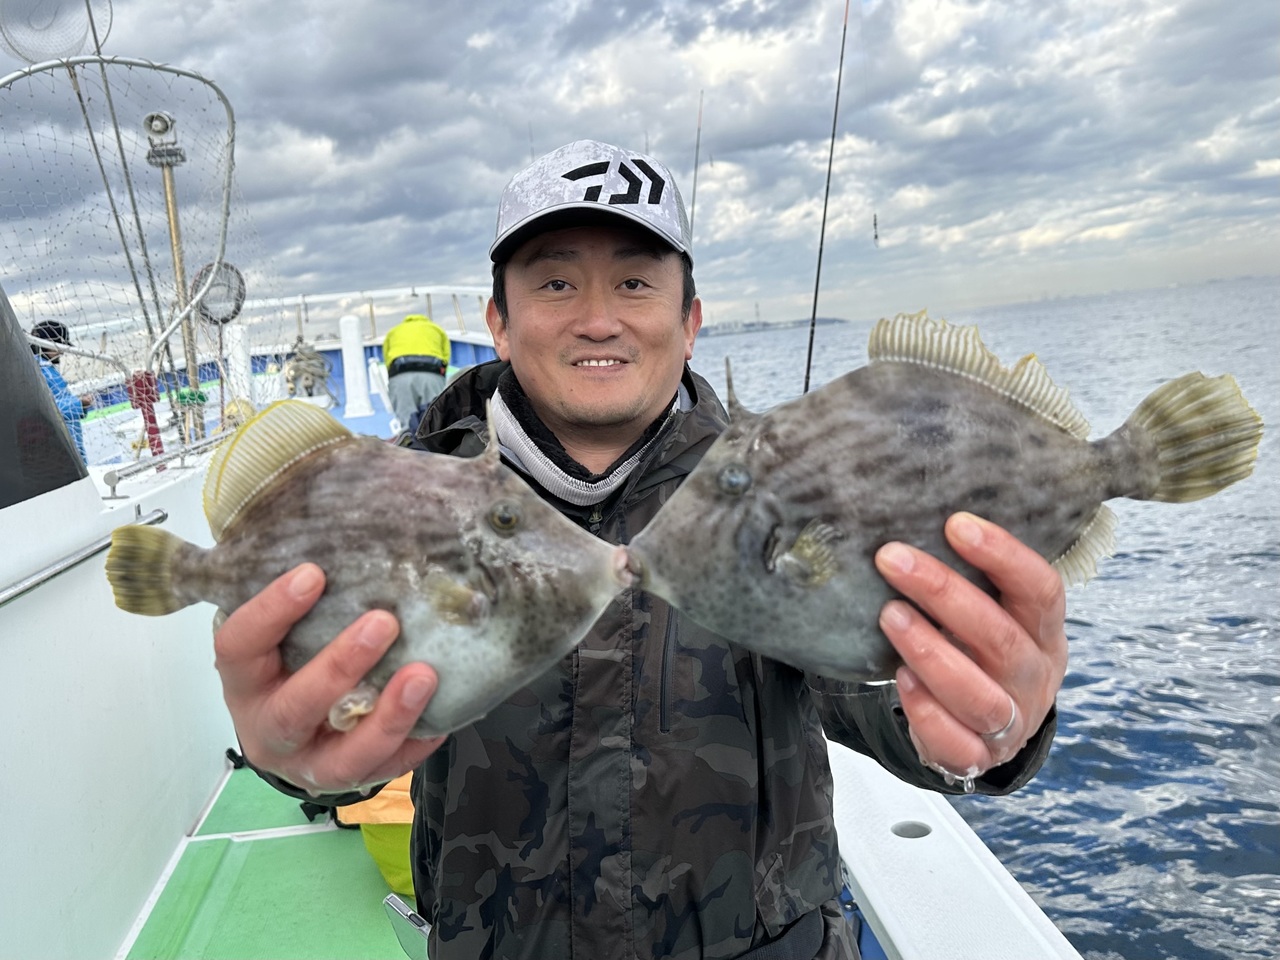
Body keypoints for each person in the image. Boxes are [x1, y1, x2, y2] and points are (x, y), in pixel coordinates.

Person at [214, 140, 1068, 959]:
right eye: (556, 282)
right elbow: (343, 722)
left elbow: (871, 693)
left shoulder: (782, 494)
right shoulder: (398, 499)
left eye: (634, 282)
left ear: (688, 321)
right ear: (499, 322)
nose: (598, 321)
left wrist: (996, 725)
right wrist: (293, 754)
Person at [29, 319, 90, 461]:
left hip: (70, 448)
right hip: (61, 453)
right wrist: (79, 403)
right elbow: (44, 410)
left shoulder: (46, 368)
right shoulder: (37, 370)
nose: (62, 352)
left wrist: (80, 405)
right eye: (60, 346)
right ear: (46, 344)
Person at [382, 312, 450, 427]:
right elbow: (446, 357)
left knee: (407, 420)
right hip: (431, 375)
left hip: (401, 376)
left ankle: (407, 434)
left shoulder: (393, 331)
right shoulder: (437, 329)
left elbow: (388, 360)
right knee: (434, 419)